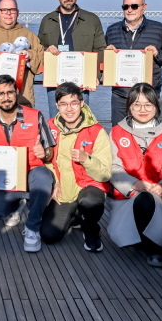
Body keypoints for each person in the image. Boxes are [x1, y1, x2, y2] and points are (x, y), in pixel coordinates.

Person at [0, 75, 57, 252]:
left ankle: (32, 228)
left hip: (32, 173)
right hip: (2, 179)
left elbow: (50, 153)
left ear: (17, 92)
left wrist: (44, 153)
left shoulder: (36, 116)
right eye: (1, 94)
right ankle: (14, 206)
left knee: (44, 178)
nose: (6, 97)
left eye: (10, 92)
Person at [107, 83, 162, 266]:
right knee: (141, 202)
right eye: (136, 104)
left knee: (149, 201)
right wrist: (133, 185)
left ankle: (156, 249)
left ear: (156, 105)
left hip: (161, 196)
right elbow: (113, 167)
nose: (142, 109)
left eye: (148, 104)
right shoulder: (117, 131)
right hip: (129, 194)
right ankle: (146, 236)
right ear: (129, 106)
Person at [43, 82, 112, 251]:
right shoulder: (48, 126)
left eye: (74, 103)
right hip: (62, 191)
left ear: (82, 103)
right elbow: (44, 161)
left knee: (90, 200)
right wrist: (54, 182)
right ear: (57, 105)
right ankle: (74, 215)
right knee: (48, 235)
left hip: (87, 187)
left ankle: (90, 229)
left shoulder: (97, 131)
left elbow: (105, 174)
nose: (69, 109)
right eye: (63, 104)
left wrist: (86, 159)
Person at [37, 0, 106, 120]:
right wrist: (46, 50)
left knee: (81, 122)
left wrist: (96, 76)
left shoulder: (92, 19)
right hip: (54, 84)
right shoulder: (47, 20)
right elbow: (39, 48)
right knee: (55, 123)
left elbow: (100, 49)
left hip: (81, 84)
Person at [104, 0, 162, 126]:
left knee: (148, 136)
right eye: (125, 6)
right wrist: (107, 55)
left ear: (144, 7)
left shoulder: (159, 29)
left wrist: (157, 54)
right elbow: (104, 63)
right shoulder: (112, 30)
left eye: (134, 6)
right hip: (120, 95)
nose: (129, 10)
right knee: (118, 135)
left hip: (148, 96)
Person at [0, 0, 45, 110]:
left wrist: (31, 55)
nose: (8, 13)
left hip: (23, 100)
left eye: (12, 10)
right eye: (4, 10)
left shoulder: (30, 35)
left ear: (17, 12)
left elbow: (40, 65)